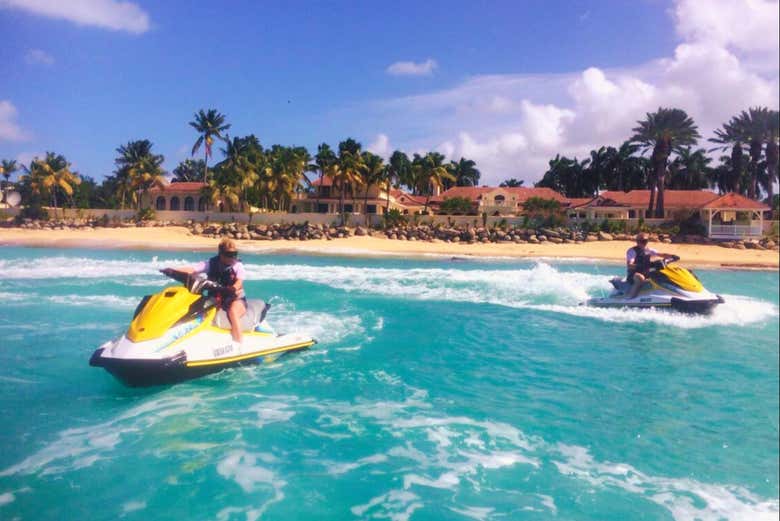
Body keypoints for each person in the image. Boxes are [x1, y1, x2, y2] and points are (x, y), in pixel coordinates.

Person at [162, 238, 247, 346]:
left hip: (236, 299)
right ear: (221, 254)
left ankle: (239, 344)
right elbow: (192, 269)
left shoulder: (237, 266)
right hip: (217, 299)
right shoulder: (211, 263)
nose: (233, 257)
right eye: (229, 254)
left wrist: (233, 288)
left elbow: (239, 281)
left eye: (235, 254)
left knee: (233, 312)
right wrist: (172, 270)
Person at [625, 232, 675, 299]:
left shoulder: (649, 250)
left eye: (645, 241)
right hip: (634, 274)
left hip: (646, 272)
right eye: (641, 241)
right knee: (640, 278)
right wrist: (639, 266)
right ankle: (630, 298)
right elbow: (630, 264)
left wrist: (672, 256)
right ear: (637, 241)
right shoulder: (632, 251)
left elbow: (661, 254)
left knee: (662, 274)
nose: (643, 243)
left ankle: (670, 293)